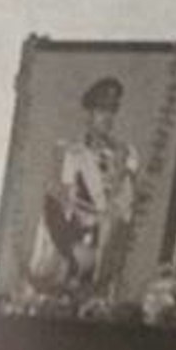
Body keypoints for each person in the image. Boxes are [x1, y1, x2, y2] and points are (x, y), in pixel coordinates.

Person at [27, 75, 139, 298]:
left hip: (104, 251)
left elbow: (124, 213)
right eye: (101, 111)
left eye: (111, 111)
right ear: (88, 115)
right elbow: (53, 207)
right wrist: (72, 248)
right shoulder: (69, 152)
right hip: (69, 246)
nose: (107, 118)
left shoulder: (125, 157)